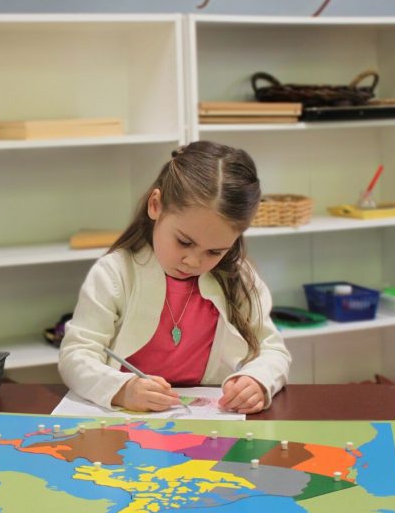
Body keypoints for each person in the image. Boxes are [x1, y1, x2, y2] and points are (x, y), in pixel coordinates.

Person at [58, 141, 291, 414]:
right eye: (184, 242)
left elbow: (272, 350)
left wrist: (257, 380)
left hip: (210, 420)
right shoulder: (114, 274)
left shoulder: (238, 277)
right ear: (155, 205)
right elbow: (75, 355)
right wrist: (122, 389)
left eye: (215, 251)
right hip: (129, 420)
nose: (193, 262)